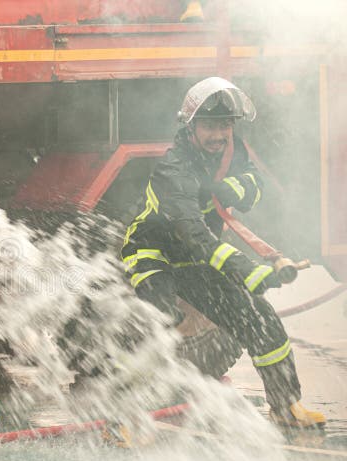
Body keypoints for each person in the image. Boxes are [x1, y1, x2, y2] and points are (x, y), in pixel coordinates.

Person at [120, 77, 326, 429]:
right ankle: (123, 419)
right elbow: (194, 235)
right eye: (210, 126)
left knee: (258, 316)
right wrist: (246, 269)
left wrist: (233, 188)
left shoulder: (231, 152)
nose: (219, 135)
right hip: (153, 255)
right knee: (157, 324)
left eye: (225, 126)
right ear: (191, 127)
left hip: (194, 260)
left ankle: (286, 406)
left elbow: (255, 184)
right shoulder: (174, 169)